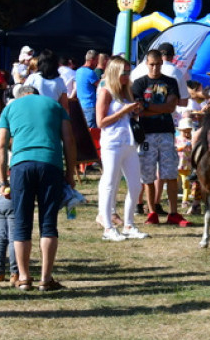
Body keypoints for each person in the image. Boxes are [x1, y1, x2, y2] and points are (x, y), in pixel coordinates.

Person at [0, 85, 77, 291]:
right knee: (48, 223)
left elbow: (1, 145)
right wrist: (70, 173)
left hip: (21, 166)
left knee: (22, 223)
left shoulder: (10, 108)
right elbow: (69, 140)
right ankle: (46, 278)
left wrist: (3, 180)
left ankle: (23, 277)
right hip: (50, 163)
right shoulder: (55, 106)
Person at [132, 50, 191, 226]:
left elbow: (172, 106)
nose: (155, 67)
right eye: (152, 64)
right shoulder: (139, 83)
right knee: (148, 175)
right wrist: (160, 107)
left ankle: (173, 212)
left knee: (170, 173)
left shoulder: (170, 81)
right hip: (146, 134)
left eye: (158, 64)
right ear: (146, 64)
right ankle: (152, 212)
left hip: (166, 132)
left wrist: (150, 107)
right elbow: (139, 108)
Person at [96, 56, 148, 241]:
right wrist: (123, 111)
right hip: (112, 143)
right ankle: (108, 227)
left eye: (128, 72)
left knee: (135, 185)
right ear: (114, 72)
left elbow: (130, 118)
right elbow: (100, 122)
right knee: (110, 183)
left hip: (129, 142)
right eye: (123, 72)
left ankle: (129, 224)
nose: (126, 76)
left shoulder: (127, 91)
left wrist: (135, 111)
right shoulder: (105, 92)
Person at [75, 50, 101, 128]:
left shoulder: (78, 71)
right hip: (90, 106)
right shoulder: (90, 73)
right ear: (92, 60)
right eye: (97, 60)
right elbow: (100, 86)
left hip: (81, 106)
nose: (97, 63)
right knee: (92, 133)